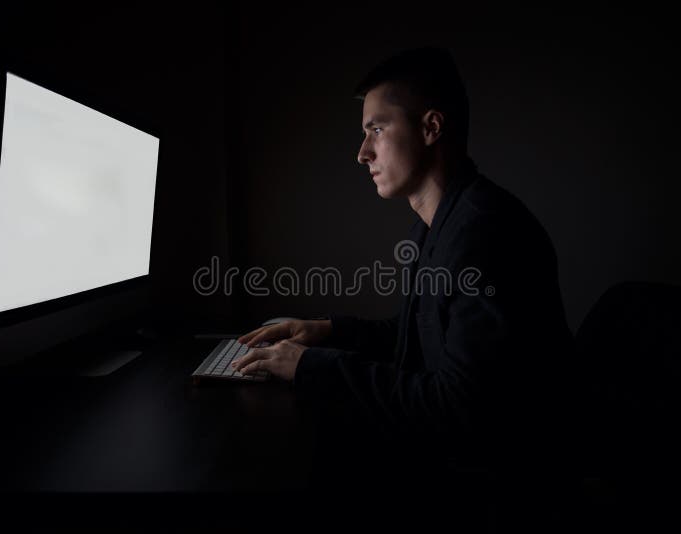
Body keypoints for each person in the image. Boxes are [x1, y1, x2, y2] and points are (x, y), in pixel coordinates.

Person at [230, 47, 575, 509]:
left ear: (431, 128)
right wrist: (325, 331)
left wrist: (311, 367)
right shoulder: (439, 224)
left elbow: (458, 407)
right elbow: (419, 334)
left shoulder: (484, 232)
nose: (362, 153)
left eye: (376, 129)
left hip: (499, 484)